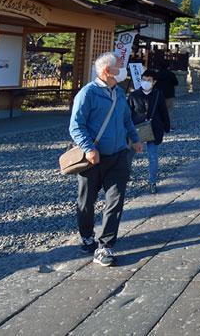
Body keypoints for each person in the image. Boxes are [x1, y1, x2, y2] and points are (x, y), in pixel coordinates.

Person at [69, 52, 142, 267]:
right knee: (86, 201)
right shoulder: (87, 94)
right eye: (119, 66)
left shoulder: (119, 93)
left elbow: (127, 119)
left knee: (115, 200)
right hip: (94, 158)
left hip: (119, 154)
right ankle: (86, 236)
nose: (123, 69)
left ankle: (106, 246)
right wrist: (89, 148)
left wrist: (136, 139)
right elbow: (76, 126)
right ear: (107, 71)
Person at [127, 69, 171, 194]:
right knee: (129, 155)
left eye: (149, 80)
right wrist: (126, 129)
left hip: (154, 129)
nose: (146, 82)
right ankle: (126, 175)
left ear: (154, 82)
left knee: (152, 157)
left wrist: (166, 126)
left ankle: (152, 182)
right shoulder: (134, 95)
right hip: (136, 129)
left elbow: (164, 112)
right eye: (144, 79)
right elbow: (127, 113)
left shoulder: (158, 94)